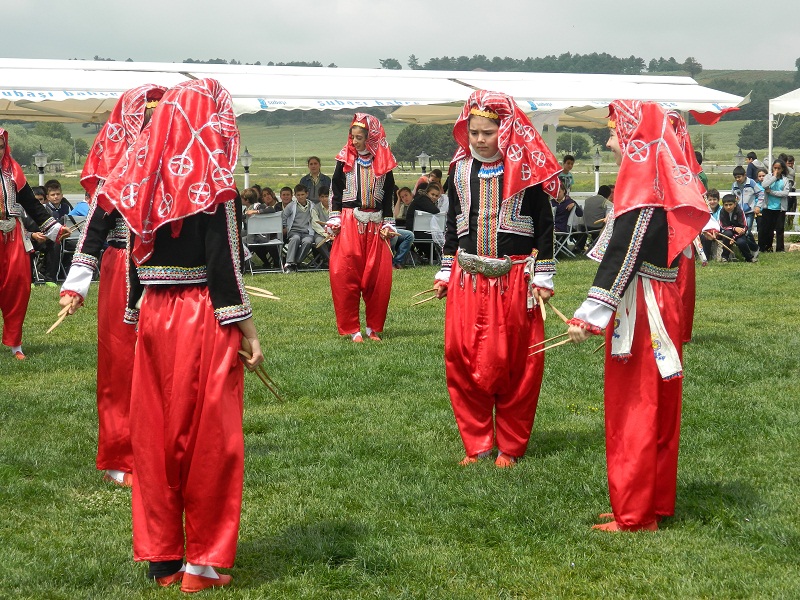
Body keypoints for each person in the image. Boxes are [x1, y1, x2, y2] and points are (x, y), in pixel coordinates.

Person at [97, 78, 263, 593]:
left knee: (156, 437)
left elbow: (131, 254)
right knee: (212, 440)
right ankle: (204, 563)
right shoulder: (214, 185)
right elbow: (224, 268)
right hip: (204, 318)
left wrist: (132, 312)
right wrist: (249, 330)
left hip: (153, 318)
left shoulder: (139, 176)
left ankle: (162, 558)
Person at [567, 100, 709, 531]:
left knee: (636, 408)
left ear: (633, 139)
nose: (609, 140)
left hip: (642, 307)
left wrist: (589, 315)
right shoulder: (662, 184)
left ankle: (634, 514)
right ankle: (650, 502)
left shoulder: (644, 189)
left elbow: (623, 256)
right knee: (658, 408)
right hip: (657, 300)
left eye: (614, 132)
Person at [433, 90, 561, 467]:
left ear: (504, 131)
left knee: (517, 363)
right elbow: (454, 225)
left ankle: (511, 445)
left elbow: (544, 225)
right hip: (467, 279)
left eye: (487, 132)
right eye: (474, 132)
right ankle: (477, 443)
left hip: (515, 280)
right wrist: (445, 270)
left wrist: (544, 276)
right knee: (461, 358)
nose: (479, 139)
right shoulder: (459, 170)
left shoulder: (525, 170)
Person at [59, 84, 167, 489]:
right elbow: (94, 231)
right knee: (120, 364)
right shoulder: (118, 170)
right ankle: (120, 456)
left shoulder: (176, 166)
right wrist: (77, 285)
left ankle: (158, 448)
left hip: (165, 275)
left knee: (161, 363)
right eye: (149, 117)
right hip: (122, 267)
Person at [326, 113, 397, 342]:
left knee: (378, 278)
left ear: (372, 138)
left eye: (359, 137)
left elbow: (388, 196)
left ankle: (372, 327)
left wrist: (388, 222)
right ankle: (352, 328)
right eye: (352, 137)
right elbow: (336, 189)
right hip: (349, 222)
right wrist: (335, 217)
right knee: (345, 274)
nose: (354, 141)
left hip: (376, 225)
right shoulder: (344, 159)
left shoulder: (384, 162)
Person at [0, 129, 66, 359]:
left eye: (0, 146)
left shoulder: (13, 171)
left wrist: (55, 229)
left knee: (18, 287)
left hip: (12, 237)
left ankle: (15, 343)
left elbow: (32, 204)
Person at [755, 158, 790, 252]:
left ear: (782, 169)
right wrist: (774, 177)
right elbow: (764, 185)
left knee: (779, 229)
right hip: (768, 207)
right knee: (767, 229)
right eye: (775, 168)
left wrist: (771, 192)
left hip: (780, 208)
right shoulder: (768, 177)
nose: (777, 170)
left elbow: (785, 193)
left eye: (779, 168)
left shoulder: (785, 180)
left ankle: (780, 249)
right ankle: (767, 247)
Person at [282, 183, 315, 272]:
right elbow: (283, 217)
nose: (300, 197)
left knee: (308, 241)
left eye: (302, 194)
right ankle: (289, 262)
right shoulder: (291, 205)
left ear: (307, 194)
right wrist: (284, 227)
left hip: (306, 231)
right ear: (295, 195)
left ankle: (296, 262)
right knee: (295, 239)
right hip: (294, 231)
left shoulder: (312, 205)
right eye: (298, 195)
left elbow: (315, 219)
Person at [719, 194, 756, 262]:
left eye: (730, 204)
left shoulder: (739, 211)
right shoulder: (722, 212)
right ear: (723, 205)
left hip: (739, 233)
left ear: (735, 204)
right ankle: (725, 257)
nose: (728, 207)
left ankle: (749, 258)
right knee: (727, 235)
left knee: (741, 242)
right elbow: (723, 226)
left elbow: (745, 226)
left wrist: (734, 237)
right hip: (728, 231)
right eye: (726, 205)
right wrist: (734, 228)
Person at [311, 186, 332, 266]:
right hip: (320, 233)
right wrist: (326, 234)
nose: (324, 199)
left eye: (326, 196)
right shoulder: (315, 208)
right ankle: (330, 261)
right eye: (322, 197)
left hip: (334, 232)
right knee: (319, 242)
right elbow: (315, 224)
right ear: (319, 198)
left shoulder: (335, 206)